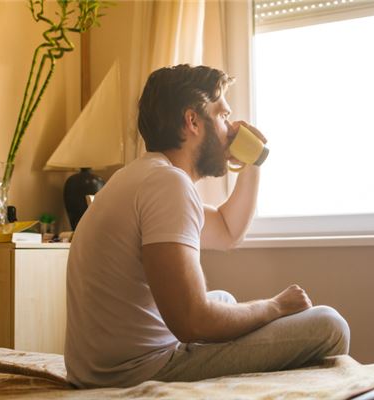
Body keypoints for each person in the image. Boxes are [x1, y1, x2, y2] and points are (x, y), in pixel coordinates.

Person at [64, 64, 350, 389]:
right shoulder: (168, 185)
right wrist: (275, 306)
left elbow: (228, 231)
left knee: (223, 299)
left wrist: (253, 161)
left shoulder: (143, 176)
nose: (230, 129)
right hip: (134, 372)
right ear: (193, 121)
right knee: (329, 325)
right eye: (223, 116)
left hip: (98, 369)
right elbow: (192, 322)